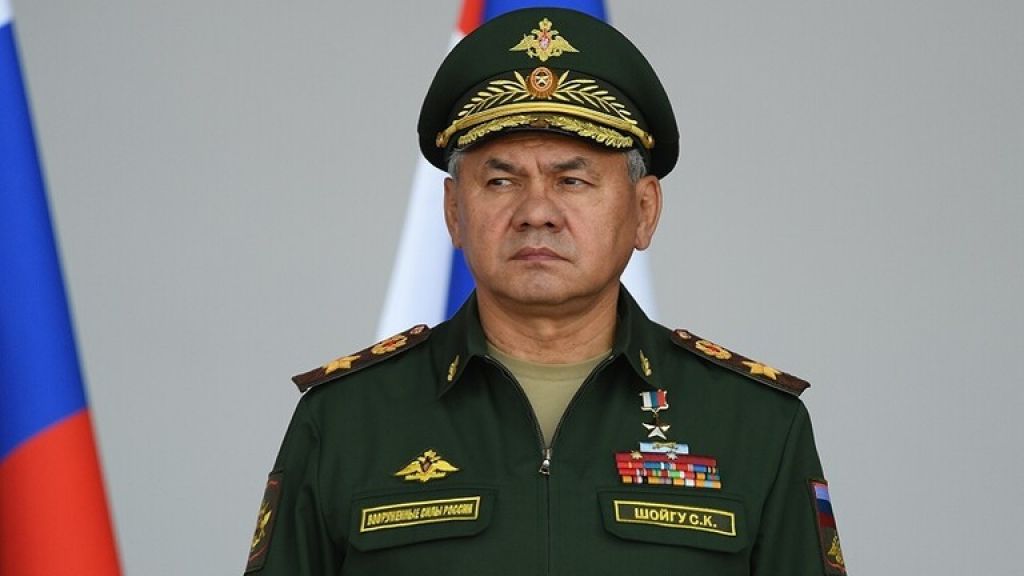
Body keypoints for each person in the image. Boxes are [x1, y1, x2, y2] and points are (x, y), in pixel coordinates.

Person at [243, 7, 847, 575]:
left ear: (644, 210)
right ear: (453, 211)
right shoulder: (346, 422)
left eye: (572, 180)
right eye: (501, 181)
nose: (537, 212)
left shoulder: (755, 426)